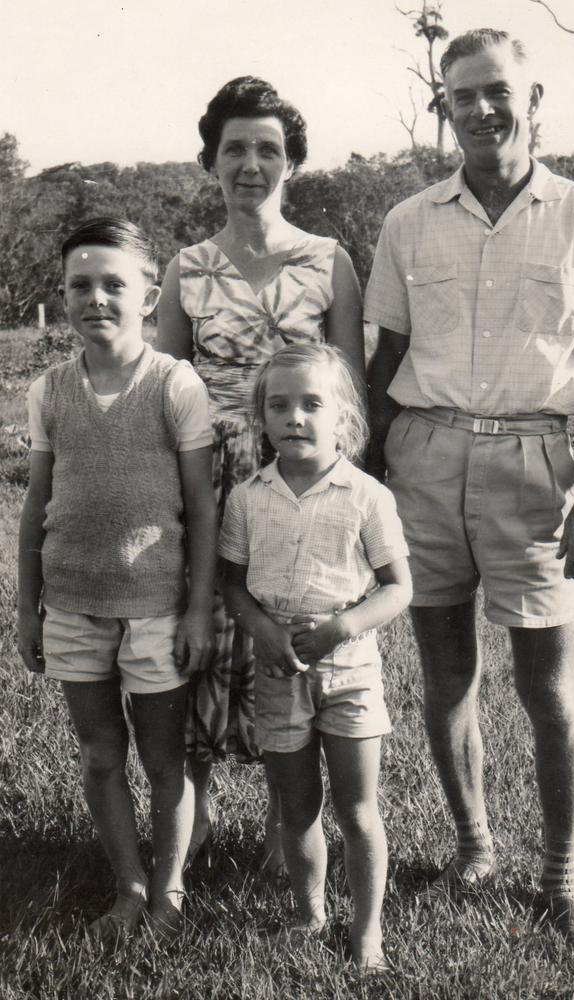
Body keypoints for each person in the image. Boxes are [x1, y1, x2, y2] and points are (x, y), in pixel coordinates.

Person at [364, 28, 574, 953]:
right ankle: (474, 846)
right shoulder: (408, 221)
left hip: (535, 464)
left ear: (532, 102)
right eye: (461, 96)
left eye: (497, 92)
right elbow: (389, 355)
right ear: (444, 109)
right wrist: (364, 467)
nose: (480, 110)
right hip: (423, 456)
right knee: (446, 673)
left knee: (548, 687)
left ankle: (560, 880)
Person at [156, 76, 365, 870]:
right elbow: (164, 389)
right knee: (201, 637)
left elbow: (351, 396)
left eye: (269, 150)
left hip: (301, 481)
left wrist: (344, 500)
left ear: (293, 164)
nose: (251, 163)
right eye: (235, 147)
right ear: (211, 159)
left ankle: (291, 822)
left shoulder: (328, 260)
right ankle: (196, 814)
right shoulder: (189, 266)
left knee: (293, 634)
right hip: (207, 481)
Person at [17, 218, 217, 941]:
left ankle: (170, 891)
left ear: (150, 297)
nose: (95, 298)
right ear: (63, 296)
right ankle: (127, 886)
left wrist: (198, 609)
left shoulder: (174, 384)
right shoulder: (48, 390)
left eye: (113, 285)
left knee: (165, 758)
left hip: (156, 608)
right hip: (71, 605)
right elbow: (37, 503)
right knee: (101, 753)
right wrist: (27, 606)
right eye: (79, 285)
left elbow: (200, 506)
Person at [218, 343, 411, 969]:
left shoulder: (366, 496)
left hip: (349, 669)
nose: (294, 417)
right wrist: (263, 630)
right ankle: (309, 914)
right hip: (278, 669)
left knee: (357, 808)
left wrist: (342, 627)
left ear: (343, 420)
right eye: (279, 405)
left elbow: (398, 587)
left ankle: (369, 932)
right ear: (262, 417)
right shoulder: (247, 497)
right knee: (297, 808)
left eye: (311, 404)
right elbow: (231, 582)